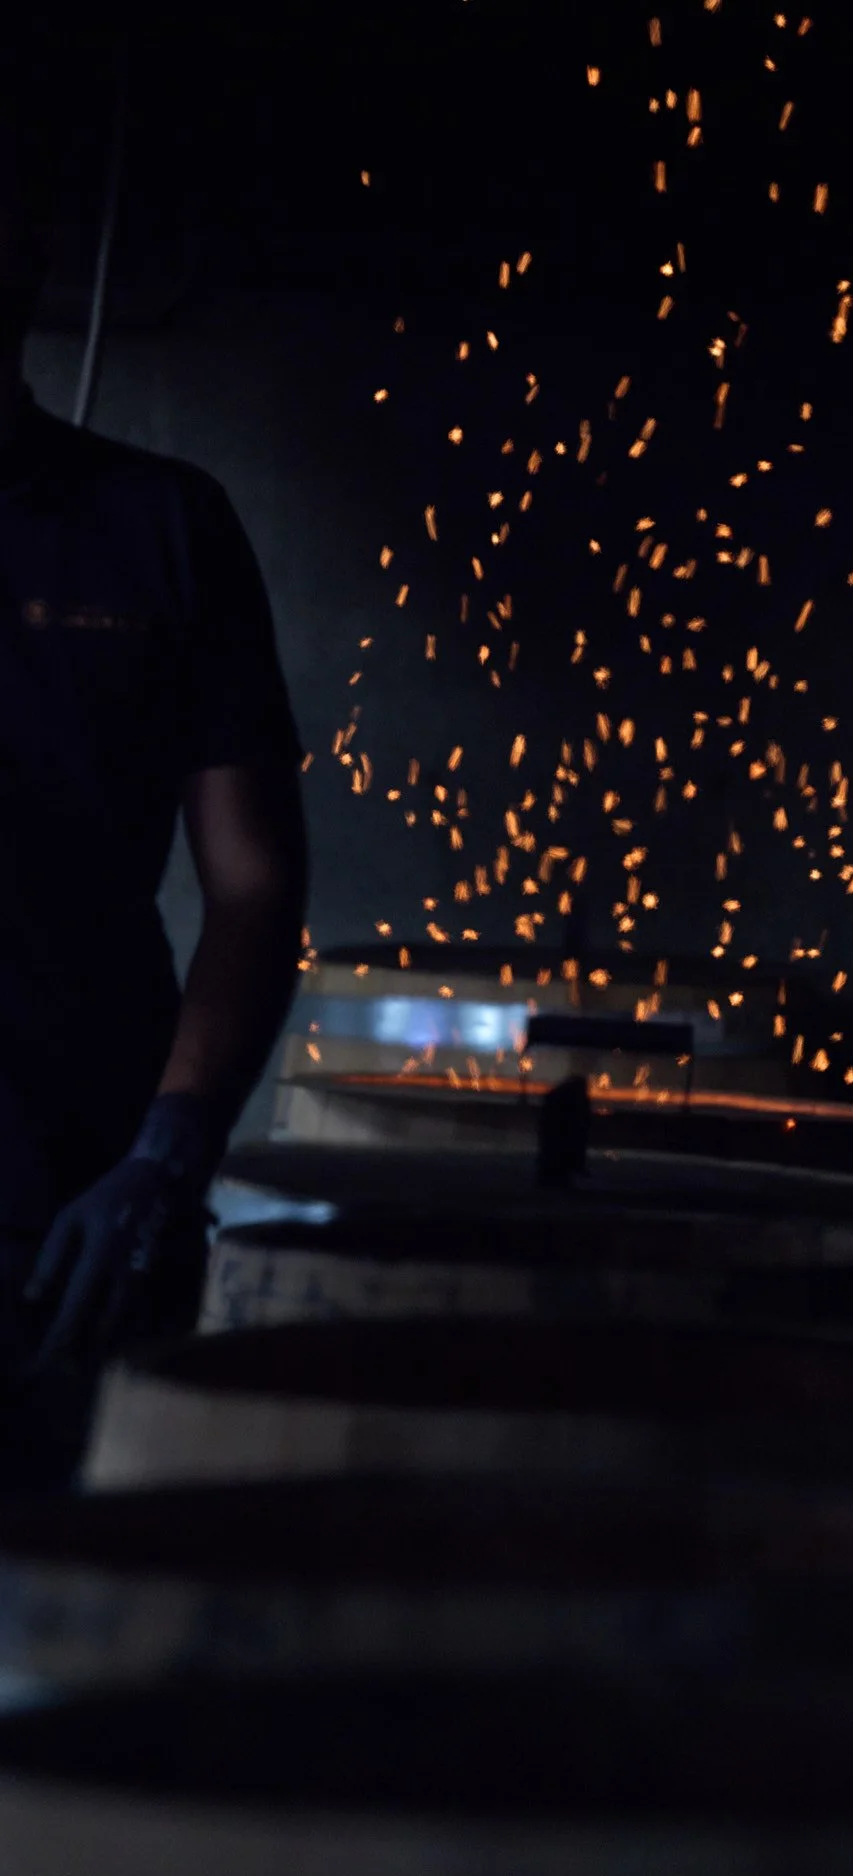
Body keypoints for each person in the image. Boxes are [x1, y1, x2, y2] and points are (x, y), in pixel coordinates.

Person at [0, 139, 308, 1483]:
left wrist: (174, 1147)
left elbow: (252, 883)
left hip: (77, 1197)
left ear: (27, 269)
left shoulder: (162, 527)